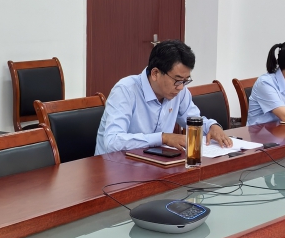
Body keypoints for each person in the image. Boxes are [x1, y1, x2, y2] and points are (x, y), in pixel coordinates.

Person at [96, 40, 233, 155]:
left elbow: (193, 121)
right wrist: (163, 138)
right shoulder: (125, 90)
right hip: (115, 168)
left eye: (185, 80)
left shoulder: (179, 91)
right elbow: (112, 142)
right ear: (155, 73)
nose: (181, 87)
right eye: (177, 80)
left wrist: (212, 127)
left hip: (154, 163)